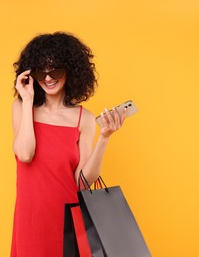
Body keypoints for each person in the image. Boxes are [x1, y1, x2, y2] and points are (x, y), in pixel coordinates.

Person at [10, 32, 126, 257]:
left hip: (68, 220)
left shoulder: (85, 119)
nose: (48, 78)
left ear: (70, 71)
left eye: (56, 70)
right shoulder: (21, 107)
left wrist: (104, 138)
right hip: (31, 218)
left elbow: (82, 183)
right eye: (40, 71)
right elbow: (24, 154)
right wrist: (27, 100)